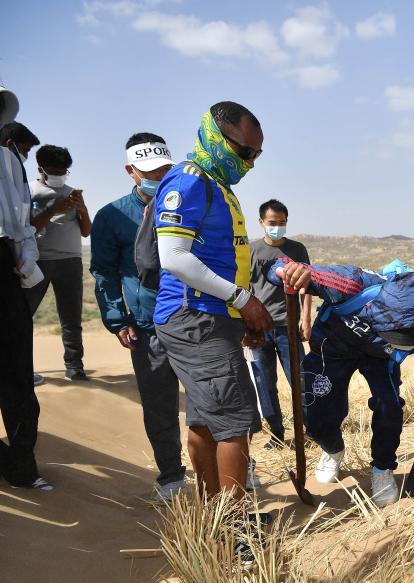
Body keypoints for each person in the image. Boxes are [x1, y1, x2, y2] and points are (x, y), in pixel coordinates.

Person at [271, 259, 414, 506]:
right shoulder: (350, 283)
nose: (404, 348)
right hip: (331, 348)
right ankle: (333, 448)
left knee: (389, 406)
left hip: (379, 359)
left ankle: (382, 468)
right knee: (318, 415)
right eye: (397, 339)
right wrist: (288, 272)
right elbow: (277, 265)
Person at [152, 102, 273, 500]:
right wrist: (243, 299)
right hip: (194, 317)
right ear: (217, 137)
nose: (251, 162)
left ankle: (212, 515)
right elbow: (175, 258)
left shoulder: (216, 184)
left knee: (206, 420)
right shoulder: (189, 181)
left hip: (211, 316)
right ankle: (234, 529)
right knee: (235, 422)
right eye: (244, 152)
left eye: (257, 154)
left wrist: (239, 311)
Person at [90, 132, 186, 500]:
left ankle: (234, 469)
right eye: (149, 171)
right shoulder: (112, 216)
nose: (158, 177)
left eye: (164, 169)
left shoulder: (187, 204)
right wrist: (118, 318)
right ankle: (172, 476)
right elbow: (104, 272)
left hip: (195, 321)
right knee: (160, 405)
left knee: (212, 398)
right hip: (147, 326)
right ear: (130, 170)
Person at [0, 117, 51, 491]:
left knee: (16, 376)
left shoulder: (10, 161)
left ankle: (21, 467)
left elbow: (20, 221)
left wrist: (26, 255)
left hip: (4, 267)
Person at [248, 198, 312, 446]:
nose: (277, 227)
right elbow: (245, 288)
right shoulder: (251, 250)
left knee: (301, 380)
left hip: (289, 326)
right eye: (272, 223)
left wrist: (306, 319)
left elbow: (308, 286)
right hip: (259, 329)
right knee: (265, 384)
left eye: (282, 223)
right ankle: (276, 434)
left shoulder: (297, 249)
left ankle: (309, 431)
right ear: (261, 222)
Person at [25, 144, 92, 381]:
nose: (59, 175)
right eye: (54, 171)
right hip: (37, 262)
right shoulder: (28, 191)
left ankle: (75, 367)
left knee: (72, 319)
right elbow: (27, 228)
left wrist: (82, 209)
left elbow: (86, 232)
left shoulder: (73, 192)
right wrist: (53, 209)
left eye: (63, 171)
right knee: (23, 318)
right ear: (40, 168)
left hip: (70, 262)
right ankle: (23, 369)